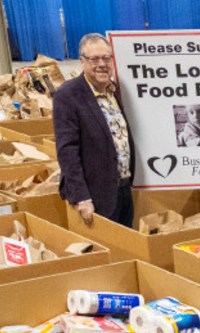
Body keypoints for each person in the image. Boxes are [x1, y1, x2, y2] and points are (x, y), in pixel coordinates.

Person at [53, 33, 135, 228]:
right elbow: (67, 152)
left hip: (123, 189)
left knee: (127, 249)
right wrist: (82, 197)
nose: (102, 64)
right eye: (94, 59)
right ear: (82, 62)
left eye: (106, 58)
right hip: (96, 195)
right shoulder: (68, 96)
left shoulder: (113, 91)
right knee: (107, 251)